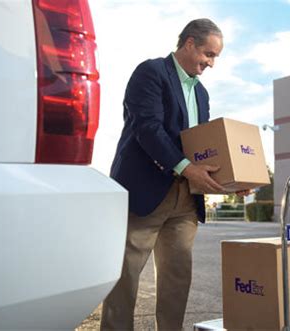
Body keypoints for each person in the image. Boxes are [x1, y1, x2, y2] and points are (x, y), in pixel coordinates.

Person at [100, 19, 228, 330]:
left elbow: (203, 146)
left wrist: (228, 179)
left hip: (186, 198)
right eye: (208, 54)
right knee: (126, 274)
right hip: (147, 191)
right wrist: (186, 167)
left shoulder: (202, 94)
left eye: (215, 58)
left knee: (177, 277)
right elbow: (148, 129)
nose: (210, 63)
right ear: (189, 44)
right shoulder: (151, 72)